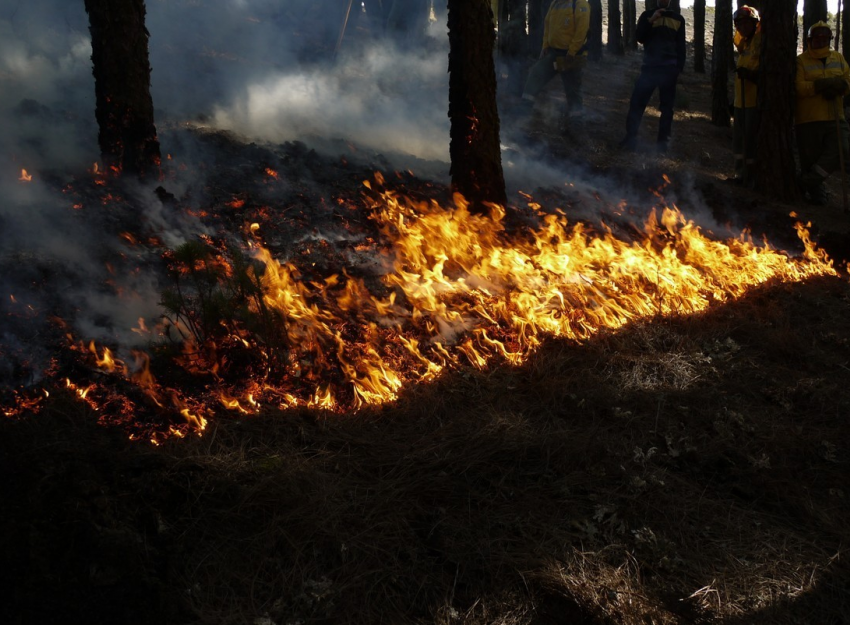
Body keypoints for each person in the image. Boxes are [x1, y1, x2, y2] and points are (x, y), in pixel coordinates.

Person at [618, 0, 686, 152]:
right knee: (637, 103)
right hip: (649, 68)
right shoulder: (647, 15)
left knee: (667, 108)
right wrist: (651, 20)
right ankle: (631, 138)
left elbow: (681, 46)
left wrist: (678, 68)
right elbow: (640, 37)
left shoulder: (678, 19)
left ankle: (663, 145)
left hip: (669, 70)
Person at [796, 21, 850, 205]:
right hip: (809, 119)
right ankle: (817, 196)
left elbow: (847, 82)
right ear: (810, 39)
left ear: (829, 39)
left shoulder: (838, 59)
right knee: (810, 161)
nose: (821, 41)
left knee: (842, 148)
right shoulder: (801, 61)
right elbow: (798, 88)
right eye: (817, 38)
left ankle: (803, 184)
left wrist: (841, 87)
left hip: (835, 116)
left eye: (824, 38)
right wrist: (819, 86)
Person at [518, 0, 591, 120]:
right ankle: (523, 110)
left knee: (573, 90)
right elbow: (548, 25)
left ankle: (576, 122)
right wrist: (545, 45)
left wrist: (572, 51)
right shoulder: (555, 3)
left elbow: (582, 31)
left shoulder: (580, 3)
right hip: (553, 53)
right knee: (536, 74)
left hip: (571, 56)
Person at [731, 6, 761, 184]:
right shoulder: (746, 45)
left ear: (754, 23)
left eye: (746, 23)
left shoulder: (760, 41)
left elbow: (767, 73)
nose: (742, 27)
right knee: (739, 141)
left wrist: (751, 75)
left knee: (750, 141)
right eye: (739, 24)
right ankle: (740, 174)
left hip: (753, 102)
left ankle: (751, 176)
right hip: (740, 102)